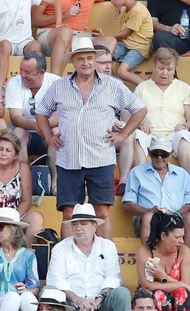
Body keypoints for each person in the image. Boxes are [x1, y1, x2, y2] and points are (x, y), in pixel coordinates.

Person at [36, 35, 144, 225]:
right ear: (73, 62)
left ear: (95, 60)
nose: (85, 63)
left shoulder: (113, 85)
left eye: (89, 58)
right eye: (80, 59)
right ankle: (69, 255)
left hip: (100, 158)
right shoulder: (59, 86)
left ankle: (105, 255)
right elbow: (41, 112)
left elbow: (140, 109)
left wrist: (123, 134)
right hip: (68, 159)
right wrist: (47, 137)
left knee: (101, 213)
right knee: (69, 214)